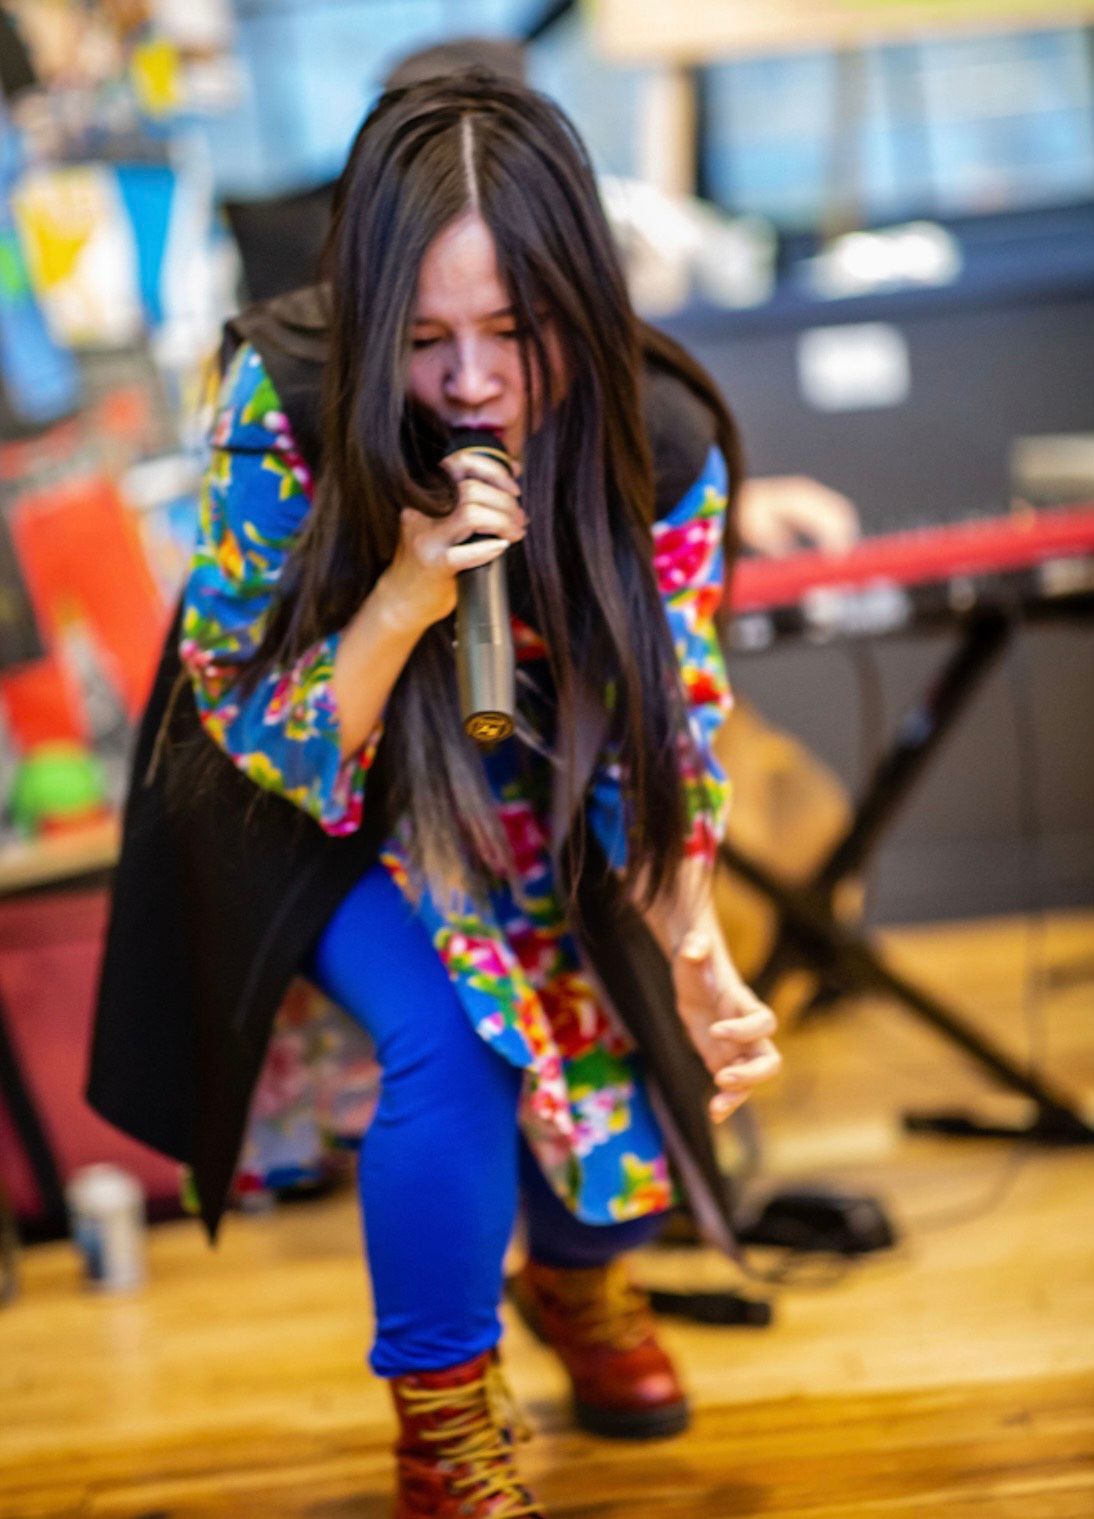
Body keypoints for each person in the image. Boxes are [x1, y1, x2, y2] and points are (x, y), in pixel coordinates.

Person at [86, 71, 781, 1518]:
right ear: (368, 318)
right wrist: (406, 595)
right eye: (423, 340)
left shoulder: (664, 441)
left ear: (580, 297)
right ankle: (446, 1421)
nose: (470, 383)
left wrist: (695, 939)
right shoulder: (283, 395)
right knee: (459, 1050)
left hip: (536, 790)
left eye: (515, 334)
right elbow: (250, 725)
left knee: (624, 1044)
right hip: (314, 795)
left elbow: (669, 731)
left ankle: (576, 1287)